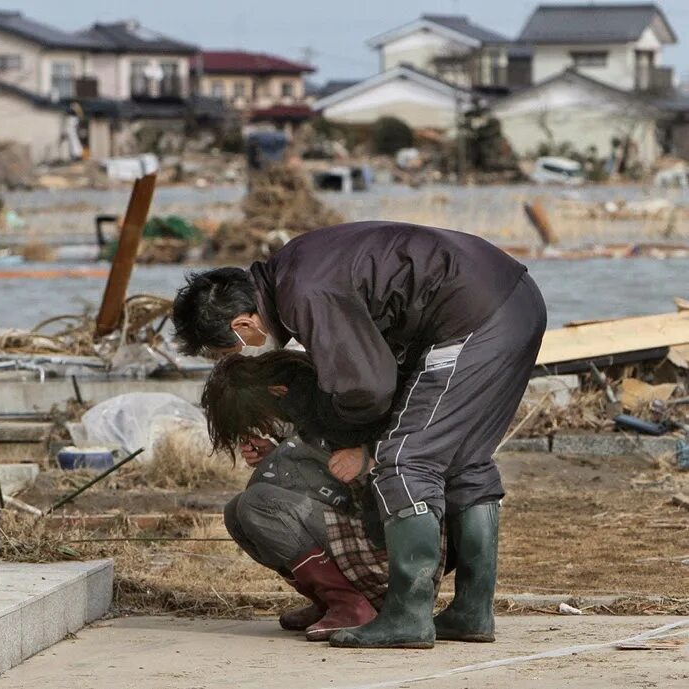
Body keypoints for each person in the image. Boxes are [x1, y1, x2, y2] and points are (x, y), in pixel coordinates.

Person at [172, 221, 546, 649]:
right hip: (512, 300)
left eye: (233, 346)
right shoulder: (296, 268)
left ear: (243, 322)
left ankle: (408, 615)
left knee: (406, 461)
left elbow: (368, 386)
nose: (244, 352)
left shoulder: (305, 293)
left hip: (474, 316)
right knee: (465, 461)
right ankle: (471, 610)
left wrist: (362, 444)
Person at [202, 350, 408, 641]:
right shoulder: (309, 407)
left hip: (388, 545)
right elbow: (319, 471)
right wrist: (274, 454)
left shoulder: (334, 403)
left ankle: (351, 604)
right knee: (235, 512)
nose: (261, 426)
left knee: (256, 504)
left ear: (276, 390)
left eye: (258, 418)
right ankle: (330, 601)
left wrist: (279, 460)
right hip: (367, 532)